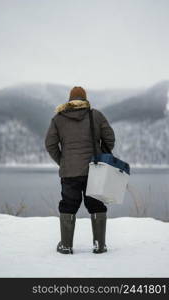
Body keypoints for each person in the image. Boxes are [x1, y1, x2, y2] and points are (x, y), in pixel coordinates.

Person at [45, 86, 115, 254]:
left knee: (68, 205)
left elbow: (50, 144)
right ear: (85, 99)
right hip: (95, 169)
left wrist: (63, 160)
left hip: (69, 172)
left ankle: (66, 246)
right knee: (97, 204)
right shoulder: (95, 115)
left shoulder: (58, 119)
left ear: (70, 100)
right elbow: (110, 138)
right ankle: (99, 246)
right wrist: (101, 154)